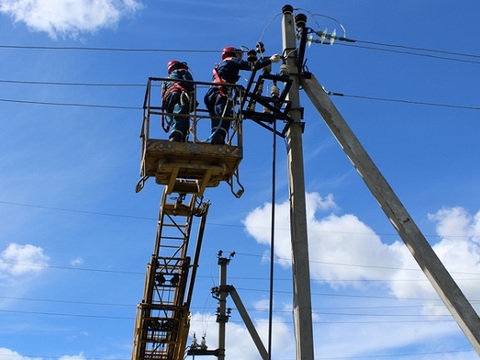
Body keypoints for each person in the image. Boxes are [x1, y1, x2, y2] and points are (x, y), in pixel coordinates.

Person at [204, 46, 281, 145]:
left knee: (217, 116)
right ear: (232, 53)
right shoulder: (231, 60)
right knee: (223, 115)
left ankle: (216, 137)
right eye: (239, 54)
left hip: (211, 95)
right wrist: (269, 60)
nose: (240, 57)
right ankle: (218, 138)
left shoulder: (221, 65)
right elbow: (251, 66)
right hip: (220, 92)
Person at [162, 60, 195, 142]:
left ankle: (180, 136)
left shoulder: (166, 79)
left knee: (174, 117)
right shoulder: (182, 71)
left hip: (168, 100)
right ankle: (176, 136)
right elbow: (190, 84)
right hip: (180, 95)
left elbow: (163, 93)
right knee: (181, 116)